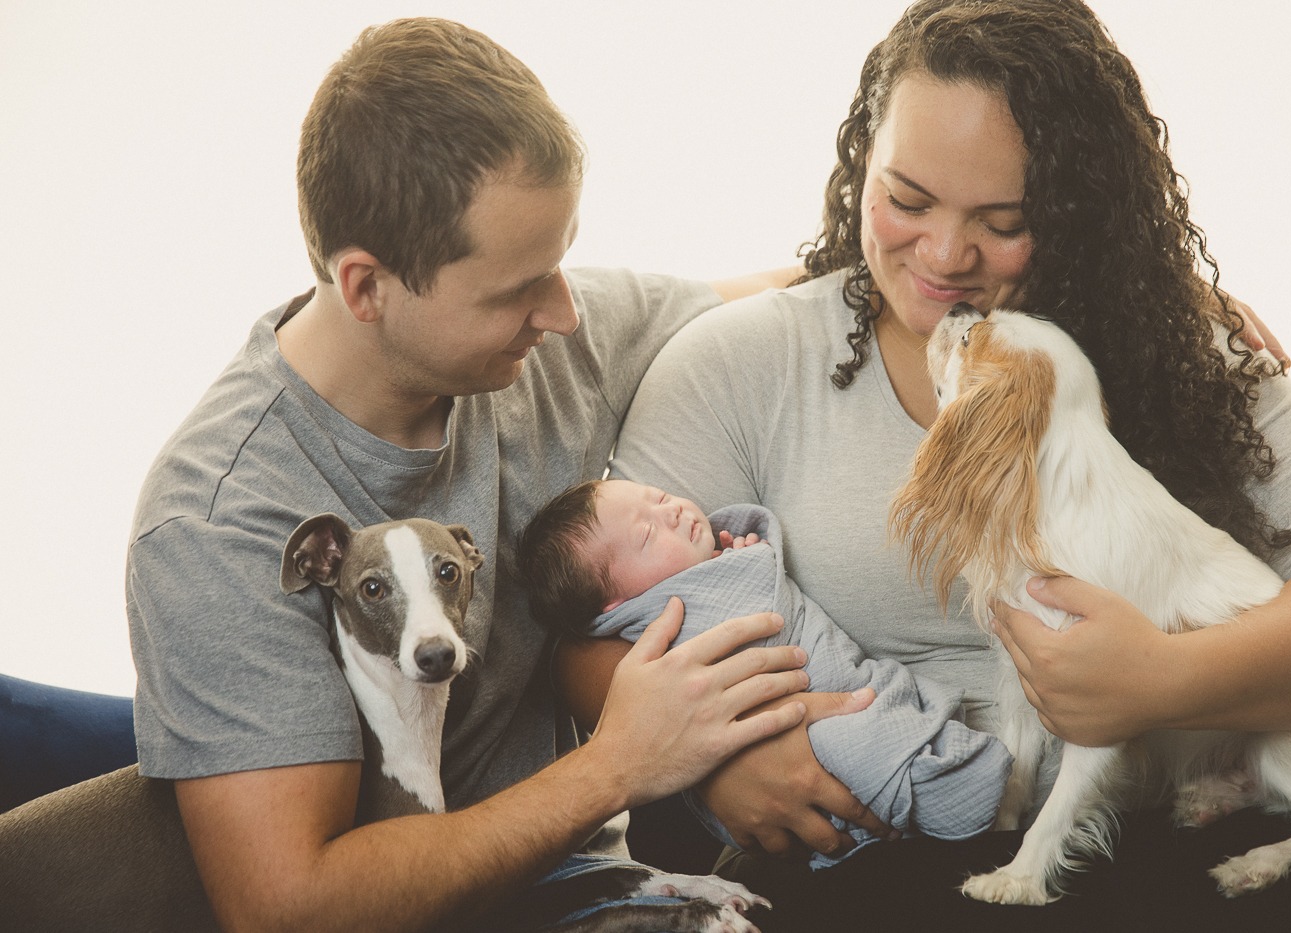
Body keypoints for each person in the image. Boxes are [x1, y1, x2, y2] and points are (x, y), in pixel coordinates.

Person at [1, 18, 901, 932]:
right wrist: (625, 761)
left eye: (558, 264)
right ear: (365, 287)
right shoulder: (219, 521)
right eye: (518, 289)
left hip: (595, 888)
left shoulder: (538, 339)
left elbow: (778, 298)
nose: (561, 312)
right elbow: (295, 910)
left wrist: (923, 245)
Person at [558, 1, 1291, 928]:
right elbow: (598, 621)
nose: (945, 256)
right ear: (859, 164)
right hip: (895, 848)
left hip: (1206, 822)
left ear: (1081, 210)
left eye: (1004, 221)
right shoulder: (739, 367)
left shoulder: (1179, 345)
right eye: (908, 200)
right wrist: (713, 760)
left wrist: (1163, 679)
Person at [519, 478, 1012, 867]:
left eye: (660, 496)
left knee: (871, 711)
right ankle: (965, 786)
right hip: (792, 734)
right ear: (618, 607)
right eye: (648, 535)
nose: (669, 511)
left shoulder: (713, 559)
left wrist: (733, 560)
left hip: (841, 683)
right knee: (859, 747)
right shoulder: (656, 625)